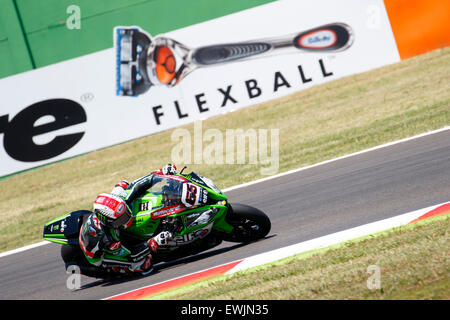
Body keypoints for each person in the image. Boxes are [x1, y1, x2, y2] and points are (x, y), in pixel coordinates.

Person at [78, 164, 178, 275]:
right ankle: (123, 269)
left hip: (104, 222)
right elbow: (131, 254)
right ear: (110, 223)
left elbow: (136, 185)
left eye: (125, 212)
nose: (126, 218)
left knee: (123, 185)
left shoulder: (118, 199)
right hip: (100, 256)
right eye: (121, 219)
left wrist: (160, 173)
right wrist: (152, 243)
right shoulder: (110, 240)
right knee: (145, 265)